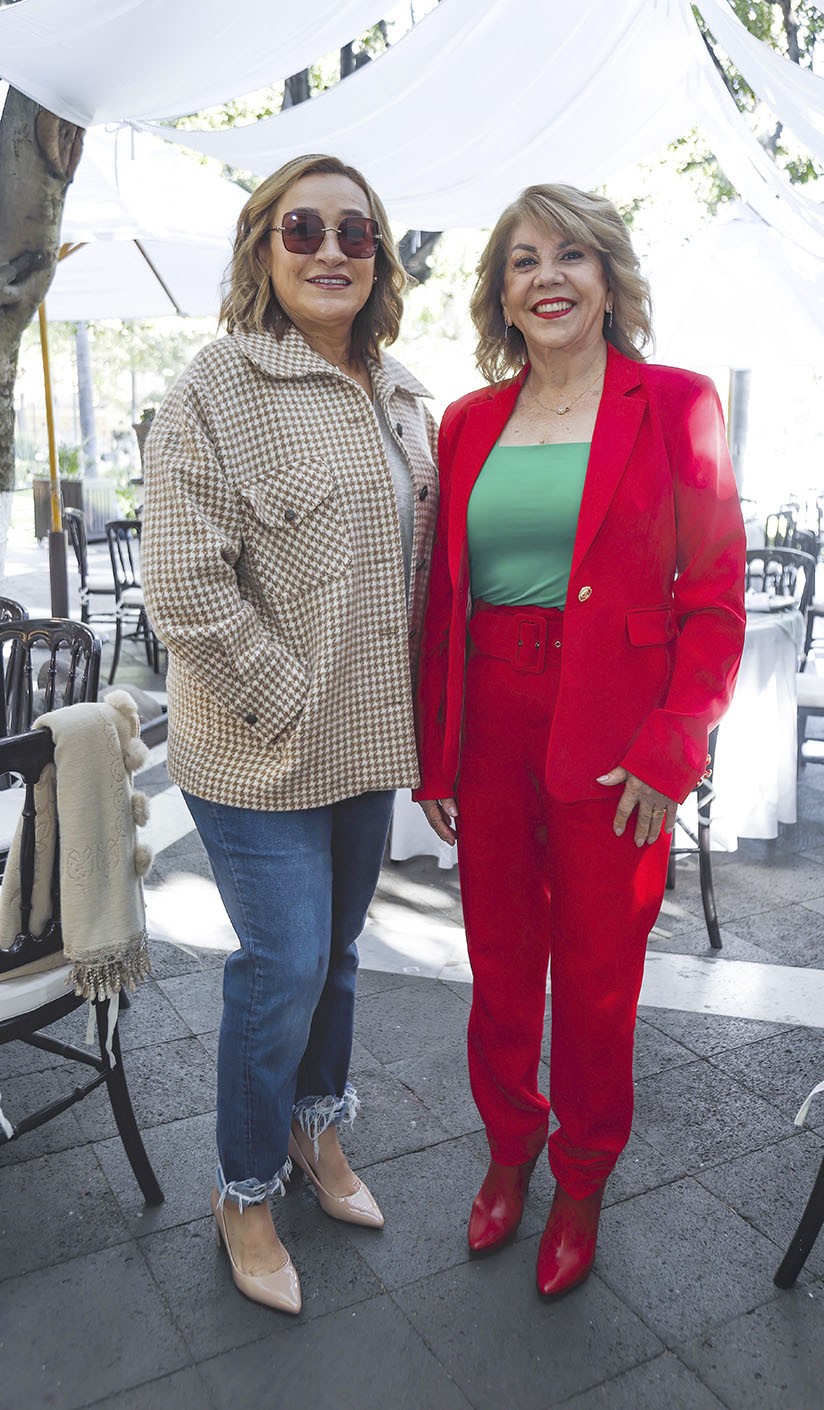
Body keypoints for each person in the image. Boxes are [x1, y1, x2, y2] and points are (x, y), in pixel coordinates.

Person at [416, 183, 745, 1299]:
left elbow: (714, 596)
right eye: (522, 260)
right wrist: (437, 751)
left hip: (615, 732)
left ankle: (583, 1180)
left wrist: (671, 747)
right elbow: (442, 602)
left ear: (608, 278)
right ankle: (509, 1150)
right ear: (501, 294)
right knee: (501, 965)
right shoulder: (465, 422)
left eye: (570, 255)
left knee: (600, 980)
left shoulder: (678, 402)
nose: (546, 276)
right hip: (490, 724)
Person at [142, 154, 438, 1315]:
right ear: (262, 247)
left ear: (380, 256)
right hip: (256, 743)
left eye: (355, 232)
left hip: (366, 739)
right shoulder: (216, 384)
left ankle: (318, 1132)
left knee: (340, 955)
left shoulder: (400, 390)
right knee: (284, 968)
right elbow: (182, 583)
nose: (330, 250)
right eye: (302, 228)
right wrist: (290, 695)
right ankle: (244, 1191)